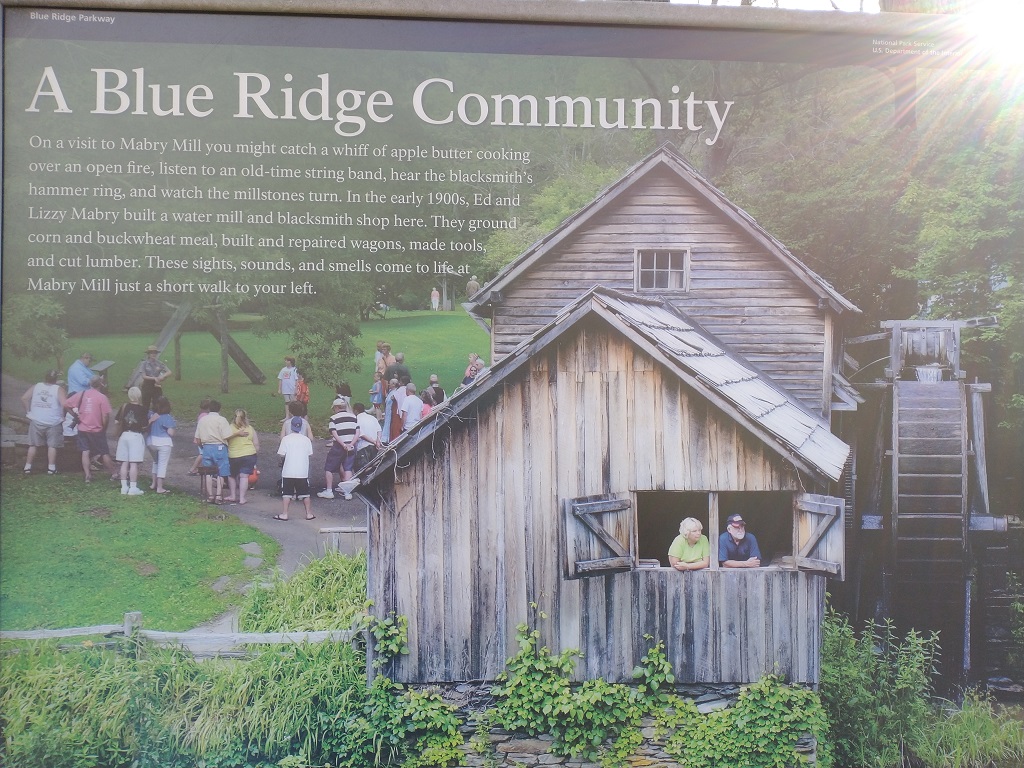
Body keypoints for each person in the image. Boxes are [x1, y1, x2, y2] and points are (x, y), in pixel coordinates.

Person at [65, 375, 115, 483]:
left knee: (85, 451)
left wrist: (75, 415)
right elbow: (105, 416)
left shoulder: (82, 394)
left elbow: (66, 404)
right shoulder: (102, 397)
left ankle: (87, 475)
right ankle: (114, 473)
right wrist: (104, 427)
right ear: (100, 384)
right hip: (97, 429)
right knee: (104, 452)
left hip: (82, 428)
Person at [194, 399, 245, 503]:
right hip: (219, 447)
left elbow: (198, 439)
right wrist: (237, 434)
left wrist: (202, 447)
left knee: (208, 472)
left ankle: (210, 496)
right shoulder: (222, 420)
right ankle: (218, 495)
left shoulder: (202, 420)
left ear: (209, 408)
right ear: (219, 409)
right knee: (221, 471)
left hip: (207, 447)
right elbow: (226, 435)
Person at [21, 369, 66, 475]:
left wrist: (28, 412)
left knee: (33, 445)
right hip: (53, 421)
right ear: (56, 379)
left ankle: (27, 467)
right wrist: (62, 415)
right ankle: (51, 468)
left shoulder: (36, 386)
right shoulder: (58, 389)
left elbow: (24, 398)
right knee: (52, 446)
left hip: (36, 420)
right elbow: (64, 404)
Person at [275, 415, 315, 521]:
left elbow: (281, 454)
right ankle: (309, 513)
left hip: (288, 471)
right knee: (305, 493)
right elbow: (310, 453)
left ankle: (285, 514)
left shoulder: (286, 439)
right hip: (302, 471)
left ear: (291, 426)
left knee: (287, 494)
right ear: (301, 427)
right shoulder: (306, 440)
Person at [319, 397, 358, 499]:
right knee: (348, 467)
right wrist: (351, 444)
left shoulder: (334, 418)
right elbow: (357, 432)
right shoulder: (353, 417)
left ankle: (329, 491)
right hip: (351, 444)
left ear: (336, 407)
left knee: (329, 467)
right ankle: (347, 492)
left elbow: (334, 433)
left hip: (339, 445)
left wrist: (343, 444)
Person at [114, 386, 149, 495]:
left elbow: (116, 421)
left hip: (124, 435)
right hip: (135, 436)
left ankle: (124, 487)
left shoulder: (124, 406)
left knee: (124, 462)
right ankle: (133, 487)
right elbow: (144, 425)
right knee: (133, 463)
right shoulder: (143, 409)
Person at [226, 409, 259, 504]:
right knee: (244, 477)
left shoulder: (230, 428)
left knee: (231, 475)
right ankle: (242, 498)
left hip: (234, 455)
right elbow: (256, 444)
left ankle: (233, 495)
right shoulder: (250, 428)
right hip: (249, 454)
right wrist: (255, 454)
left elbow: (224, 438)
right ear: (245, 417)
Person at [147, 396, 176, 493]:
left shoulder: (151, 415)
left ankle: (153, 484)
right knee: (162, 464)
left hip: (151, 442)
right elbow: (171, 432)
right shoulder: (168, 417)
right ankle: (160, 487)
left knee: (156, 462)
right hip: (163, 442)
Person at [138, 345, 172, 411]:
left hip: (157, 386)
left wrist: (163, 376)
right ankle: (145, 416)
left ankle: (155, 415)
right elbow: (144, 376)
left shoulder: (159, 363)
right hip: (147, 385)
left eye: (155, 353)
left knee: (157, 404)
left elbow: (169, 372)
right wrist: (154, 378)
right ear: (148, 354)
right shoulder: (144, 363)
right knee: (145, 405)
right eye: (151, 353)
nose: (153, 354)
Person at [353, 402, 382, 472]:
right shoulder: (372, 418)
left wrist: (373, 441)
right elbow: (379, 430)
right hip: (374, 446)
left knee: (363, 470)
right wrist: (377, 442)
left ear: (356, 411)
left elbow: (361, 434)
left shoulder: (356, 420)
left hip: (363, 446)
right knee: (375, 469)